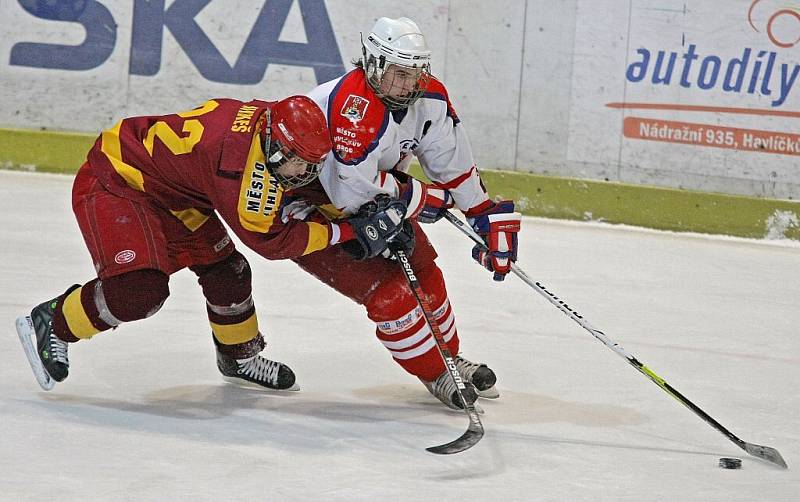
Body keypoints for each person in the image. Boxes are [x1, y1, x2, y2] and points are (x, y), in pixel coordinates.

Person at [15, 95, 408, 392]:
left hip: (173, 188)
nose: (302, 173)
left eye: (310, 164)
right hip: (118, 180)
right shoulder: (240, 175)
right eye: (296, 163)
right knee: (139, 292)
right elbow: (274, 242)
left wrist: (355, 210)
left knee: (228, 273)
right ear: (275, 144)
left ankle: (238, 358)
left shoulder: (270, 121)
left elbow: (299, 182)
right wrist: (351, 231)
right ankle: (56, 321)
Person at [293, 17, 522, 410]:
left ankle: (449, 358)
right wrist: (415, 196)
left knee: (426, 267)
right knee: (388, 293)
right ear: (376, 66)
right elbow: (348, 188)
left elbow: (451, 160)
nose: (408, 84)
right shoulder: (352, 106)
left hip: (378, 202)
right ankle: (435, 373)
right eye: (399, 73)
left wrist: (482, 212)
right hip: (312, 207)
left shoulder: (427, 98)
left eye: (415, 73)